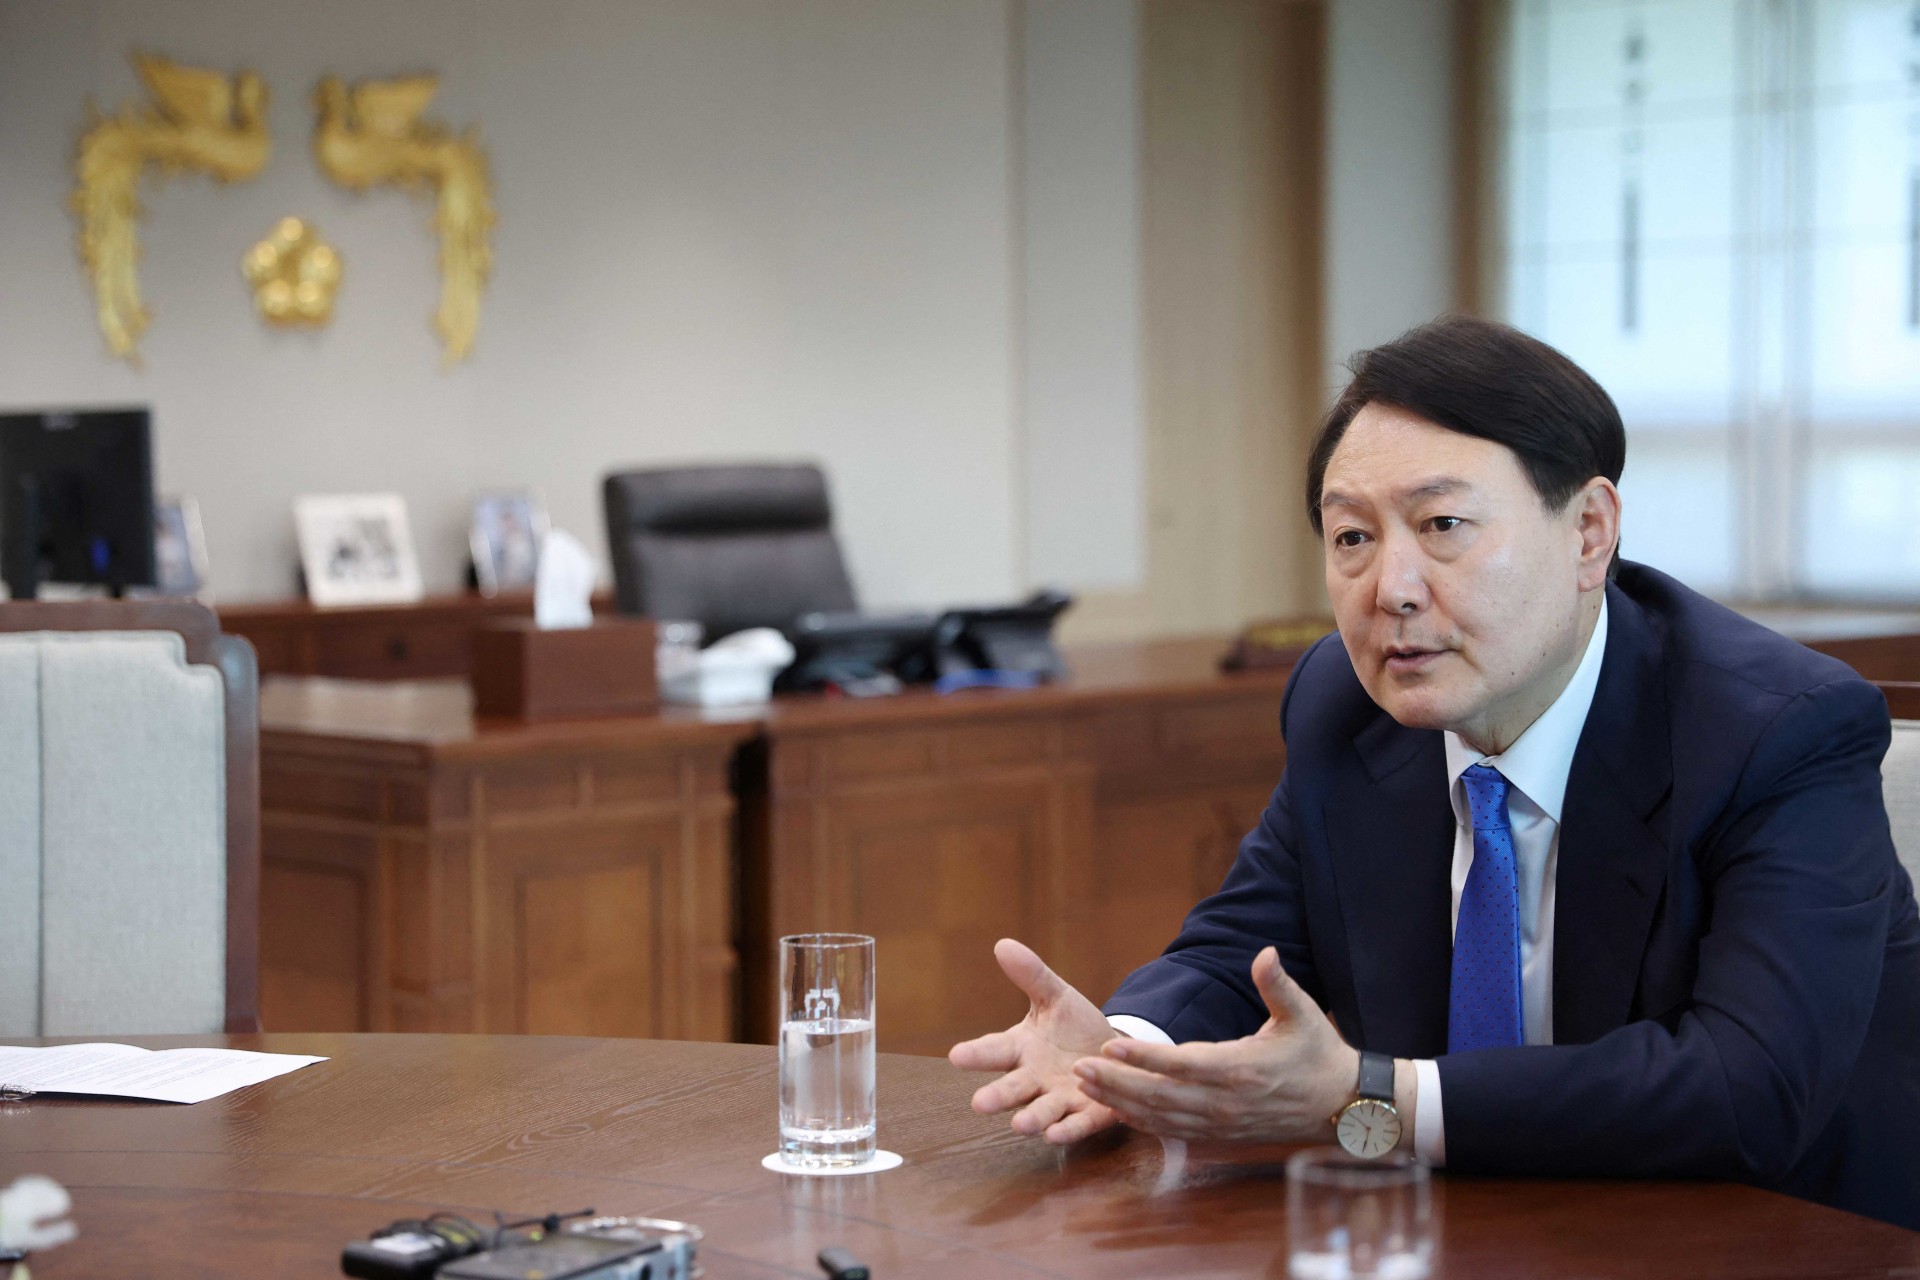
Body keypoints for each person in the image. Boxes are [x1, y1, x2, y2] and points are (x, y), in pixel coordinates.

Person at [949, 315, 1920, 1230]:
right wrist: (1126, 1053)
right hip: (1462, 1232)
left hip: (1774, 1237)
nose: (1392, 590)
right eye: (1353, 537)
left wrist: (1374, 1099)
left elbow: (1747, 1088)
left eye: (1444, 524)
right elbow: (1237, 951)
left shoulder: (1777, 729)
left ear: (1589, 532)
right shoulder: (1346, 702)